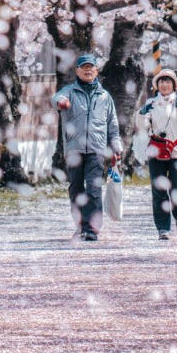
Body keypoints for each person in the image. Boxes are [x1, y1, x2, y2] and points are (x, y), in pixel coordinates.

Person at [52, 54, 122, 242]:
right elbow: (56, 98)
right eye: (84, 67)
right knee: (76, 189)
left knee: (93, 188)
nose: (88, 70)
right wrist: (61, 103)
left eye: (91, 67)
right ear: (77, 71)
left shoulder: (105, 96)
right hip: (74, 149)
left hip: (97, 149)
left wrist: (116, 147)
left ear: (96, 71)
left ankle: (92, 229)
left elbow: (112, 124)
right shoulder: (69, 91)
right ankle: (80, 225)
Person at [137, 68, 177, 241]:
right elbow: (142, 124)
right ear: (157, 85)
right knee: (159, 190)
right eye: (161, 81)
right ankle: (163, 228)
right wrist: (142, 114)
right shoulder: (152, 102)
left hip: (176, 150)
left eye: (168, 81)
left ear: (174, 85)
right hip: (157, 150)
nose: (165, 84)